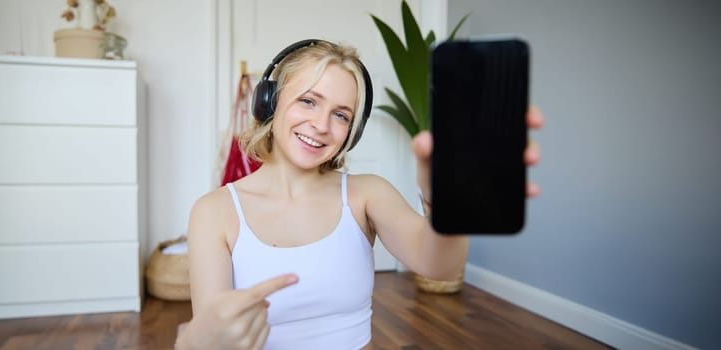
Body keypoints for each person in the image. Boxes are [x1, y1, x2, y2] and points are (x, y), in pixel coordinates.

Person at [175, 39, 544, 350]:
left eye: (341, 115)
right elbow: (210, 334)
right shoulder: (215, 212)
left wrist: (449, 199)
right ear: (269, 102)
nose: (321, 125)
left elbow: (440, 267)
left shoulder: (366, 194)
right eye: (308, 101)